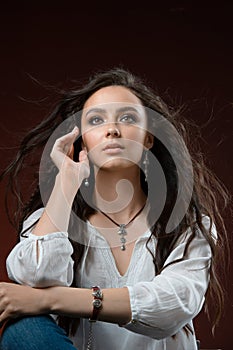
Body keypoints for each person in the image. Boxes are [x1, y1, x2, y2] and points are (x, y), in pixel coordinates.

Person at [0, 67, 229, 350]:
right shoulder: (52, 219)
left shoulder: (186, 225)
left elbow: (172, 305)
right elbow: (38, 277)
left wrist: (47, 300)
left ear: (148, 138)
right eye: (96, 120)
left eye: (128, 118)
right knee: (25, 329)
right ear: (81, 139)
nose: (112, 129)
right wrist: (66, 184)